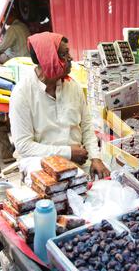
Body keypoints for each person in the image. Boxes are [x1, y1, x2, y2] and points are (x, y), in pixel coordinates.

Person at [9, 32, 110, 180]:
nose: (71, 58)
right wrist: (68, 153)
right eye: (64, 54)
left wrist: (95, 158)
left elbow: (87, 126)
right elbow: (24, 147)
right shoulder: (22, 93)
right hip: (41, 163)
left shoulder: (73, 86)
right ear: (47, 59)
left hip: (79, 160)